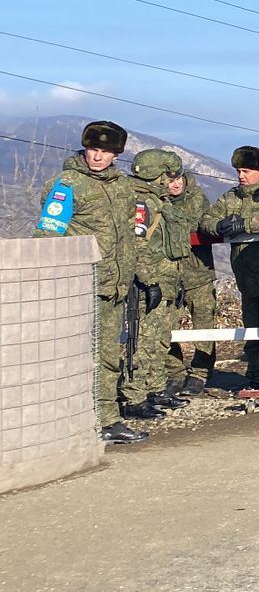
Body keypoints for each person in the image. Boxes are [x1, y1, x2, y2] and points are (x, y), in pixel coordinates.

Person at [33, 120, 146, 444]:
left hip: (114, 285)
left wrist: (134, 274)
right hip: (80, 284)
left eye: (106, 152)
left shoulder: (122, 186)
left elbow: (128, 234)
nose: (98, 157)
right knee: (74, 355)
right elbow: (48, 233)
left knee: (109, 355)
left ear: (116, 154)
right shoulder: (67, 185)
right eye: (94, 149)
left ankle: (108, 420)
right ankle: (68, 421)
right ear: (85, 149)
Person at [203, 146, 259, 390]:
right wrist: (222, 225)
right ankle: (257, 377)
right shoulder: (232, 197)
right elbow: (206, 221)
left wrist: (247, 223)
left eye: (246, 171)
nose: (241, 176)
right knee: (254, 331)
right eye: (239, 170)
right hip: (247, 278)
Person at [124, 149, 192, 420]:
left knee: (160, 341)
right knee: (144, 342)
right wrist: (149, 281)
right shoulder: (142, 204)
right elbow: (137, 245)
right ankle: (135, 398)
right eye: (169, 174)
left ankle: (154, 389)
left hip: (167, 282)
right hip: (149, 284)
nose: (173, 180)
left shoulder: (160, 202)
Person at [162, 158, 218, 396]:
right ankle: (174, 372)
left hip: (198, 273)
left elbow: (199, 226)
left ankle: (200, 374)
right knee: (165, 325)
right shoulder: (153, 201)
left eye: (177, 179)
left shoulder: (196, 198)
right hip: (167, 274)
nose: (174, 185)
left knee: (204, 322)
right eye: (168, 180)